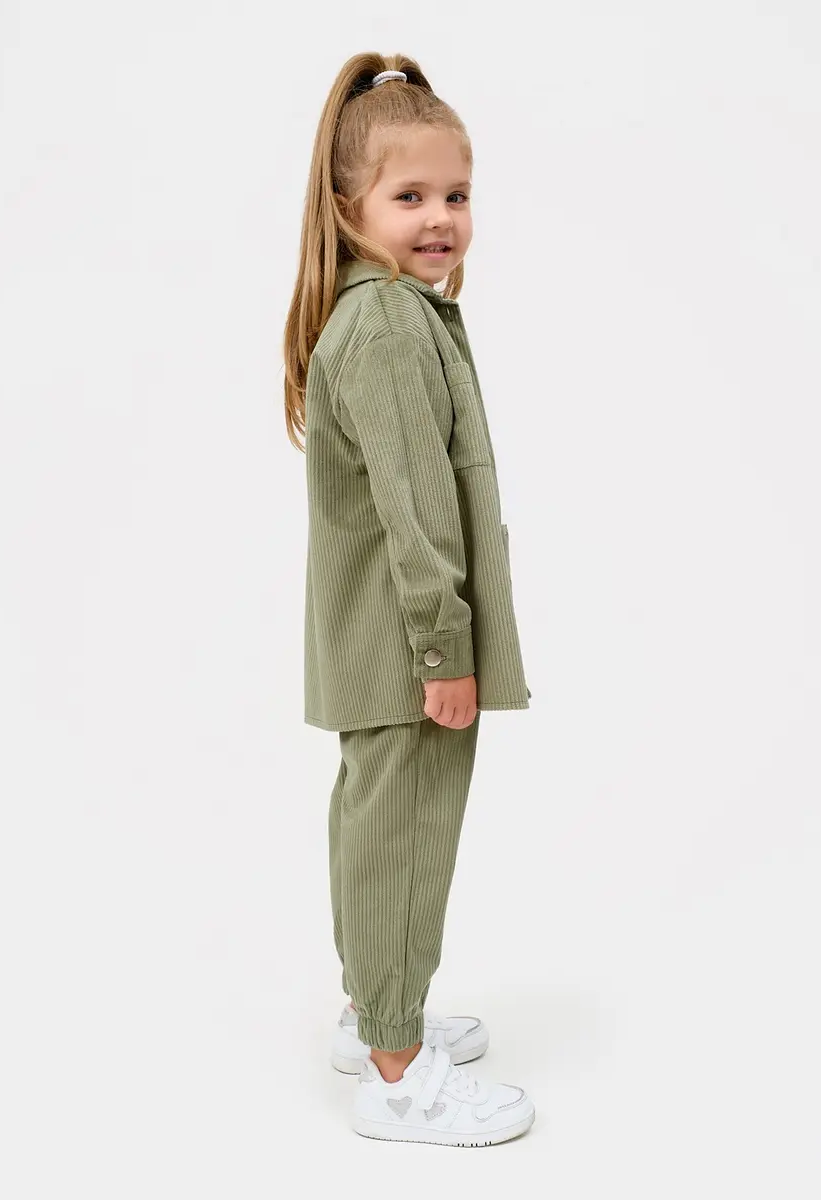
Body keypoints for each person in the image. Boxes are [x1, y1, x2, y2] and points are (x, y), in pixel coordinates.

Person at [282, 53, 535, 1148]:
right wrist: (445, 650)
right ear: (351, 209)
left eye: (456, 193)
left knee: (378, 824)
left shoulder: (393, 313)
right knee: (405, 836)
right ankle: (395, 1072)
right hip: (406, 648)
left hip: (378, 643)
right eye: (410, 195)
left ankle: (374, 1013)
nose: (440, 218)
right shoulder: (387, 324)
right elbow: (418, 513)